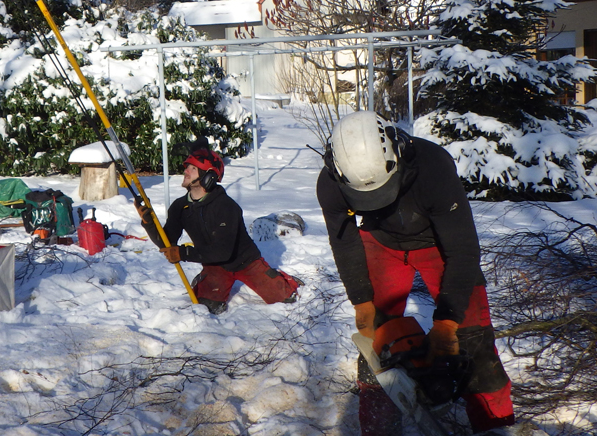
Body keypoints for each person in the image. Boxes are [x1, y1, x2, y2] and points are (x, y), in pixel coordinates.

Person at [315, 111, 515, 435]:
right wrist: (362, 301)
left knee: (473, 337)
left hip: (437, 243)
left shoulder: (433, 166)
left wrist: (448, 321)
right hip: (381, 243)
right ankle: (379, 424)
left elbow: (463, 251)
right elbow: (345, 244)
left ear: (398, 153)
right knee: (377, 342)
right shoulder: (330, 184)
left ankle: (496, 423)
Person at [139, 144, 302, 315]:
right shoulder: (180, 206)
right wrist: (149, 223)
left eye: (193, 168)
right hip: (214, 266)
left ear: (208, 177)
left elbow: (222, 252)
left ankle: (280, 279)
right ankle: (206, 279)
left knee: (286, 298)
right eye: (187, 167)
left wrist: (184, 253)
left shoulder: (226, 206)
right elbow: (167, 242)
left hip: (247, 263)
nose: (186, 171)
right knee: (207, 307)